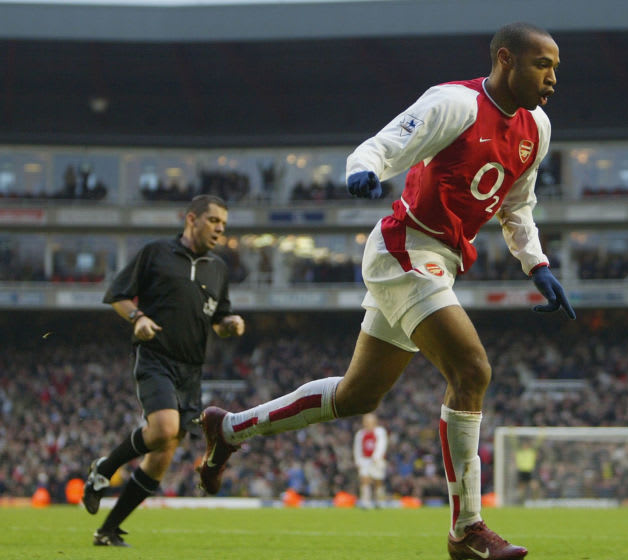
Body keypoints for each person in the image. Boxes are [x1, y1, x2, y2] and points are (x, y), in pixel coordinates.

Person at [195, 21, 573, 560]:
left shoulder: (538, 128)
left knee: (358, 396)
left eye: (556, 67)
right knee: (471, 371)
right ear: (506, 59)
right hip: (405, 248)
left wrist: (536, 264)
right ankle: (467, 529)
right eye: (544, 64)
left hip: (441, 259)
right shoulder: (454, 103)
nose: (553, 77)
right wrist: (363, 170)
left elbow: (518, 206)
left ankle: (228, 429)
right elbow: (386, 143)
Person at [82, 194, 245, 546]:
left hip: (191, 370)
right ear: (191, 219)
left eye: (224, 224)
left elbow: (217, 319)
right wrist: (137, 318)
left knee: (163, 454)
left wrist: (229, 323)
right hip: (156, 357)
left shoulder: (218, 268)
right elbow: (117, 295)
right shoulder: (155, 253)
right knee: (163, 429)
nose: (220, 229)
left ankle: (108, 530)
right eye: (214, 220)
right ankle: (104, 470)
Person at [353, 413, 388, 509]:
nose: (368, 424)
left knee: (378, 481)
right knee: (364, 480)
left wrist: (377, 457)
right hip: (364, 460)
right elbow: (357, 448)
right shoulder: (360, 434)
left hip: (377, 460)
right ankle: (365, 502)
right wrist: (358, 460)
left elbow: (382, 445)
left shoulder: (380, 432)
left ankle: (380, 501)